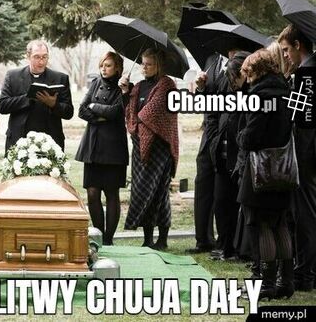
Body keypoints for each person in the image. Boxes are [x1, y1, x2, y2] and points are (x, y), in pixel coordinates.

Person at [235, 49, 294, 299]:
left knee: (260, 225)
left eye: (248, 73)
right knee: (280, 224)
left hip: (260, 169)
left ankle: (266, 283)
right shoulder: (286, 91)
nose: (247, 79)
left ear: (257, 71)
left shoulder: (259, 96)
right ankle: (285, 281)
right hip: (284, 168)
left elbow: (252, 136)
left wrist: (240, 136)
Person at [119, 48, 178, 250]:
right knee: (142, 190)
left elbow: (150, 114)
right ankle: (148, 238)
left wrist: (135, 120)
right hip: (139, 146)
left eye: (149, 64)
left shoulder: (167, 85)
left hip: (160, 148)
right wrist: (126, 92)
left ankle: (162, 238)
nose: (144, 68)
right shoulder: (139, 87)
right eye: (143, 64)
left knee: (158, 192)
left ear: (158, 65)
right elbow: (129, 112)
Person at [75, 52, 129, 246]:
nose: (104, 69)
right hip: (93, 144)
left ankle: (108, 239)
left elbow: (116, 112)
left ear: (117, 68)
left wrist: (94, 106)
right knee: (92, 192)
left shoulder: (125, 87)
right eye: (102, 65)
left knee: (112, 193)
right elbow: (82, 110)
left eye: (108, 65)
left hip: (113, 147)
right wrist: (99, 117)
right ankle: (98, 235)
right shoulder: (95, 83)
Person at [190, 48, 240, 254]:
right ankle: (203, 239)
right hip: (209, 133)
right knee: (202, 183)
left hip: (226, 134)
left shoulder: (238, 60)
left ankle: (226, 241)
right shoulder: (211, 59)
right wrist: (201, 88)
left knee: (223, 192)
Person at [277, 24, 316, 292]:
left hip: (307, 154)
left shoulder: (306, 73)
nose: (285, 55)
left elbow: (301, 118)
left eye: (286, 49)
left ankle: (305, 274)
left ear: (298, 46)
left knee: (306, 215)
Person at [209, 51, 250, 261]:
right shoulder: (226, 88)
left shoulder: (251, 95)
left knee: (237, 205)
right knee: (221, 202)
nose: (232, 81)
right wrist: (214, 138)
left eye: (235, 77)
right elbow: (213, 113)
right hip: (222, 154)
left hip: (239, 157)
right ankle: (224, 245)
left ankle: (236, 248)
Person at [0, 40, 74, 154]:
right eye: (37, 57)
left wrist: (54, 104)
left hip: (51, 142)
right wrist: (28, 98)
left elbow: (69, 112)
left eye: (45, 57)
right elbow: (2, 106)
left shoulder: (61, 78)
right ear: (28, 56)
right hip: (19, 140)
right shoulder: (13, 76)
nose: (41, 61)